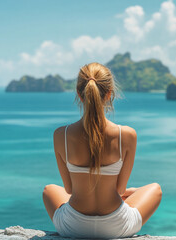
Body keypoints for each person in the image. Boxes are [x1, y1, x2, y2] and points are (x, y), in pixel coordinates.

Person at [42, 62, 162, 239]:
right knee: (155, 189)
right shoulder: (126, 135)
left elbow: (69, 189)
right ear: (109, 94)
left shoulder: (61, 135)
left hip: (73, 226)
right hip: (117, 226)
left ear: (79, 95)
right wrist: (130, 191)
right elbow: (120, 190)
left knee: (49, 189)